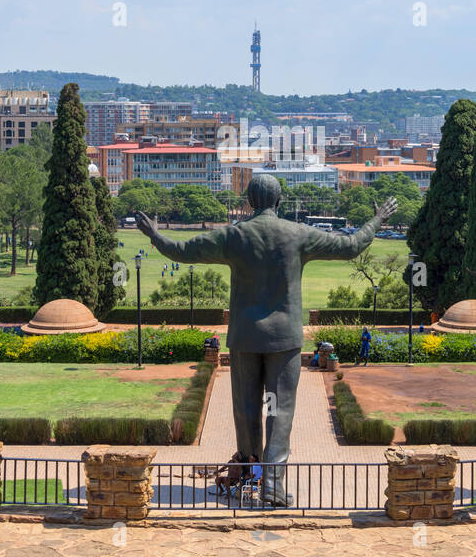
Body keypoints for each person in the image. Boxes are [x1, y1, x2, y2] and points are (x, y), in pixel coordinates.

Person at [136, 174, 395, 507]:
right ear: (280, 201)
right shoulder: (297, 234)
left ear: (248, 202)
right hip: (283, 342)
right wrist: (377, 219)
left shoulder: (235, 236)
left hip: (245, 338)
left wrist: (154, 234)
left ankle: (247, 471)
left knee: (246, 410)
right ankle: (271, 484)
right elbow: (351, 246)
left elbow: (183, 250)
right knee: (279, 410)